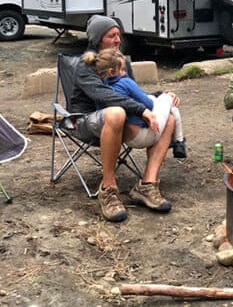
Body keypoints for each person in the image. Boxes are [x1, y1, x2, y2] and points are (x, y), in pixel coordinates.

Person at [67, 15, 179, 222]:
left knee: (170, 117)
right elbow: (104, 96)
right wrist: (142, 110)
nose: (118, 39)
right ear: (98, 39)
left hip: (120, 119)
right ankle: (108, 188)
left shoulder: (120, 60)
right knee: (116, 111)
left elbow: (131, 92)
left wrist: (162, 95)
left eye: (119, 34)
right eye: (112, 36)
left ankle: (146, 184)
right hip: (85, 120)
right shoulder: (87, 64)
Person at [91, 48, 178, 150]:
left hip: (122, 137)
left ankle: (178, 140)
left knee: (160, 102)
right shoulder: (125, 81)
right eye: (123, 70)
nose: (125, 73)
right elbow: (149, 104)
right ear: (111, 72)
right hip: (142, 136)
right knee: (168, 102)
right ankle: (179, 139)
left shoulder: (101, 89)